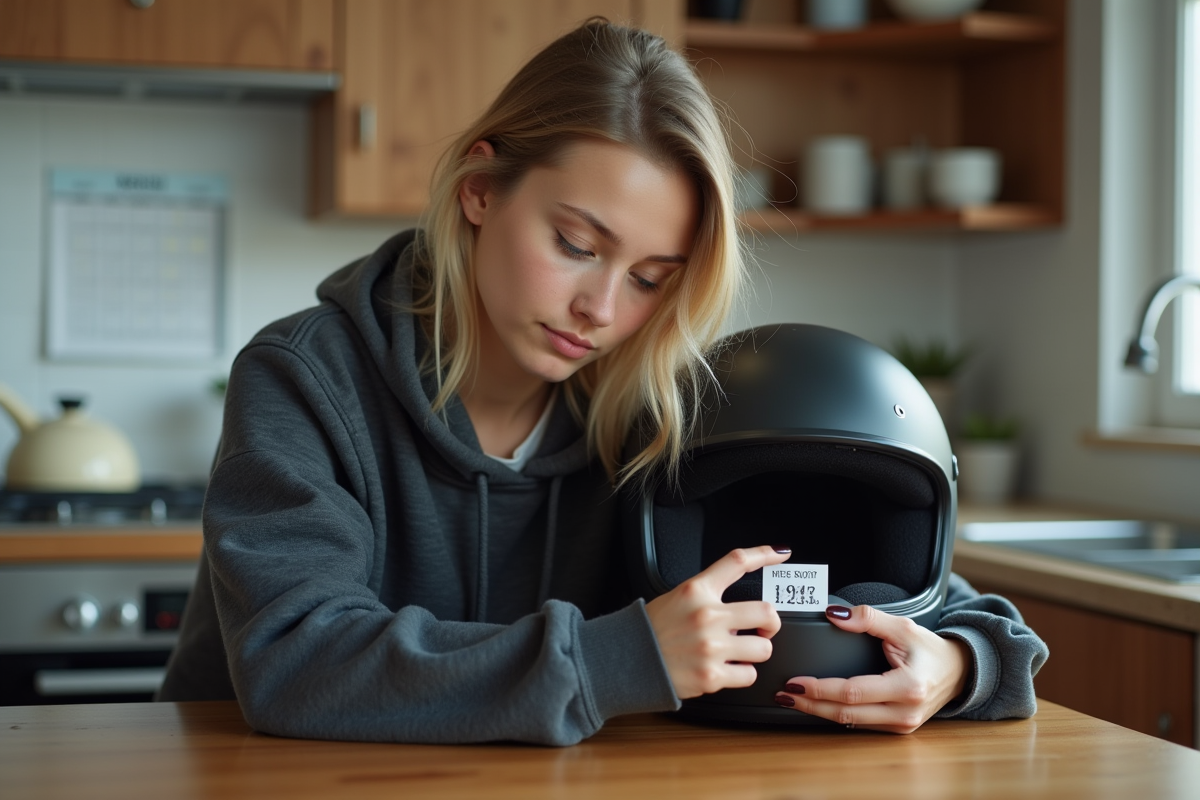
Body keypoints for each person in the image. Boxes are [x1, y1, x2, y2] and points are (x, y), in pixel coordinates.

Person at [158, 19, 1047, 744]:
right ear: (479, 187)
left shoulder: (666, 410)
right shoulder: (306, 379)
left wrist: (958, 666)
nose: (603, 309)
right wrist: (614, 660)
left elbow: (935, 605)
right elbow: (293, 662)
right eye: (577, 246)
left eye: (652, 277)